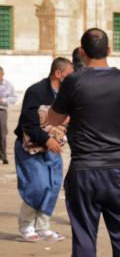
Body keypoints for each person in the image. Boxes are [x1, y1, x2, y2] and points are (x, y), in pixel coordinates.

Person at [47, 28, 120, 257]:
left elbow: (54, 117)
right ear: (110, 49)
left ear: (82, 51)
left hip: (86, 168)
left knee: (85, 233)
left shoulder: (74, 81)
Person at [13, 57, 72, 242]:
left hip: (54, 148)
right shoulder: (36, 91)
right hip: (31, 147)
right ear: (58, 73)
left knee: (54, 186)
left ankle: (44, 226)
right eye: (69, 74)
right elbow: (27, 123)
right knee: (38, 186)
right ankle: (26, 225)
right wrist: (47, 139)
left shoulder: (67, 94)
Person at [0, 65, 17, 164]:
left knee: (2, 134)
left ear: (2, 74)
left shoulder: (8, 84)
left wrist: (3, 100)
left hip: (2, 110)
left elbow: (14, 98)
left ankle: (3, 156)